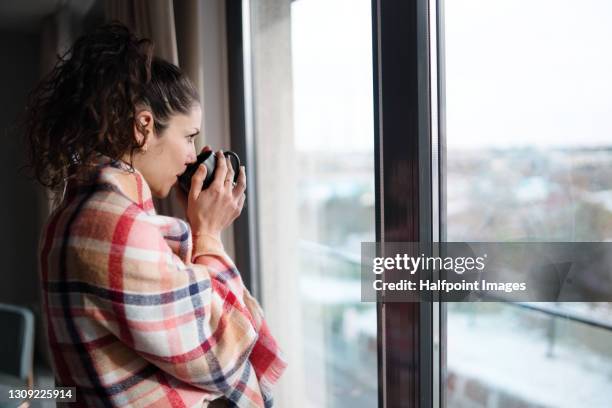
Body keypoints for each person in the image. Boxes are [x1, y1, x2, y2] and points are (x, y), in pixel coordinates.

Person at [24, 23, 286, 408]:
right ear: (145, 126)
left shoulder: (71, 216)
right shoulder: (116, 227)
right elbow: (223, 355)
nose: (190, 155)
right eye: (189, 136)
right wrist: (207, 233)